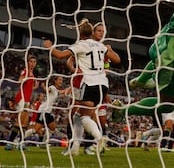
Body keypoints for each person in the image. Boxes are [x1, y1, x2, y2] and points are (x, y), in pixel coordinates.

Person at [43, 18, 121, 155]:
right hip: (103, 85)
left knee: (84, 117)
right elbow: (117, 60)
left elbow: (60, 55)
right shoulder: (100, 46)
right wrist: (110, 50)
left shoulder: (80, 45)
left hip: (89, 84)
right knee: (78, 115)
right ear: (92, 33)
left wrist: (49, 46)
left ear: (80, 33)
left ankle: (99, 138)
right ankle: (75, 147)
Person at [5, 55, 43, 150]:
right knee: (20, 122)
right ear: (27, 62)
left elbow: (29, 88)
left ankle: (20, 144)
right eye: (31, 61)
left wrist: (35, 87)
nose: (33, 63)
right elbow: (19, 82)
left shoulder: (32, 73)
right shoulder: (25, 71)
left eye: (34, 62)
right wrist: (22, 79)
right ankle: (10, 143)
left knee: (25, 123)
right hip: (21, 99)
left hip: (26, 100)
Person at [24, 76, 71, 146]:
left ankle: (43, 143)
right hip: (43, 111)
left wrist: (71, 87)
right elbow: (48, 90)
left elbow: (62, 92)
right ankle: (20, 139)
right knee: (36, 130)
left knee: (52, 128)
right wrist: (44, 87)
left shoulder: (55, 90)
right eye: (60, 80)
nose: (61, 81)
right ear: (55, 81)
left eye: (62, 80)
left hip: (48, 112)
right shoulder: (52, 87)